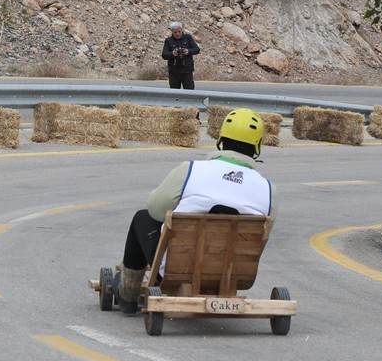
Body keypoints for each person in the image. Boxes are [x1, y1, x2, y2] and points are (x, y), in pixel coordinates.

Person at [115, 108, 277, 314]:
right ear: (257, 146)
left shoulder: (191, 170)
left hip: (177, 269)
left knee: (142, 217)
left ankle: (128, 295)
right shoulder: (269, 190)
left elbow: (155, 209)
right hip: (234, 273)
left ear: (220, 140)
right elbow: (262, 237)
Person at [161, 21, 201, 90]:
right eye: (175, 32)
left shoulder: (188, 38)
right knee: (175, 94)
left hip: (187, 71)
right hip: (174, 72)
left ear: (182, 30)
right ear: (172, 32)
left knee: (189, 91)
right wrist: (172, 54)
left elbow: (197, 49)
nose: (177, 34)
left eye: (179, 31)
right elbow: (164, 55)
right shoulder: (168, 41)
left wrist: (189, 51)